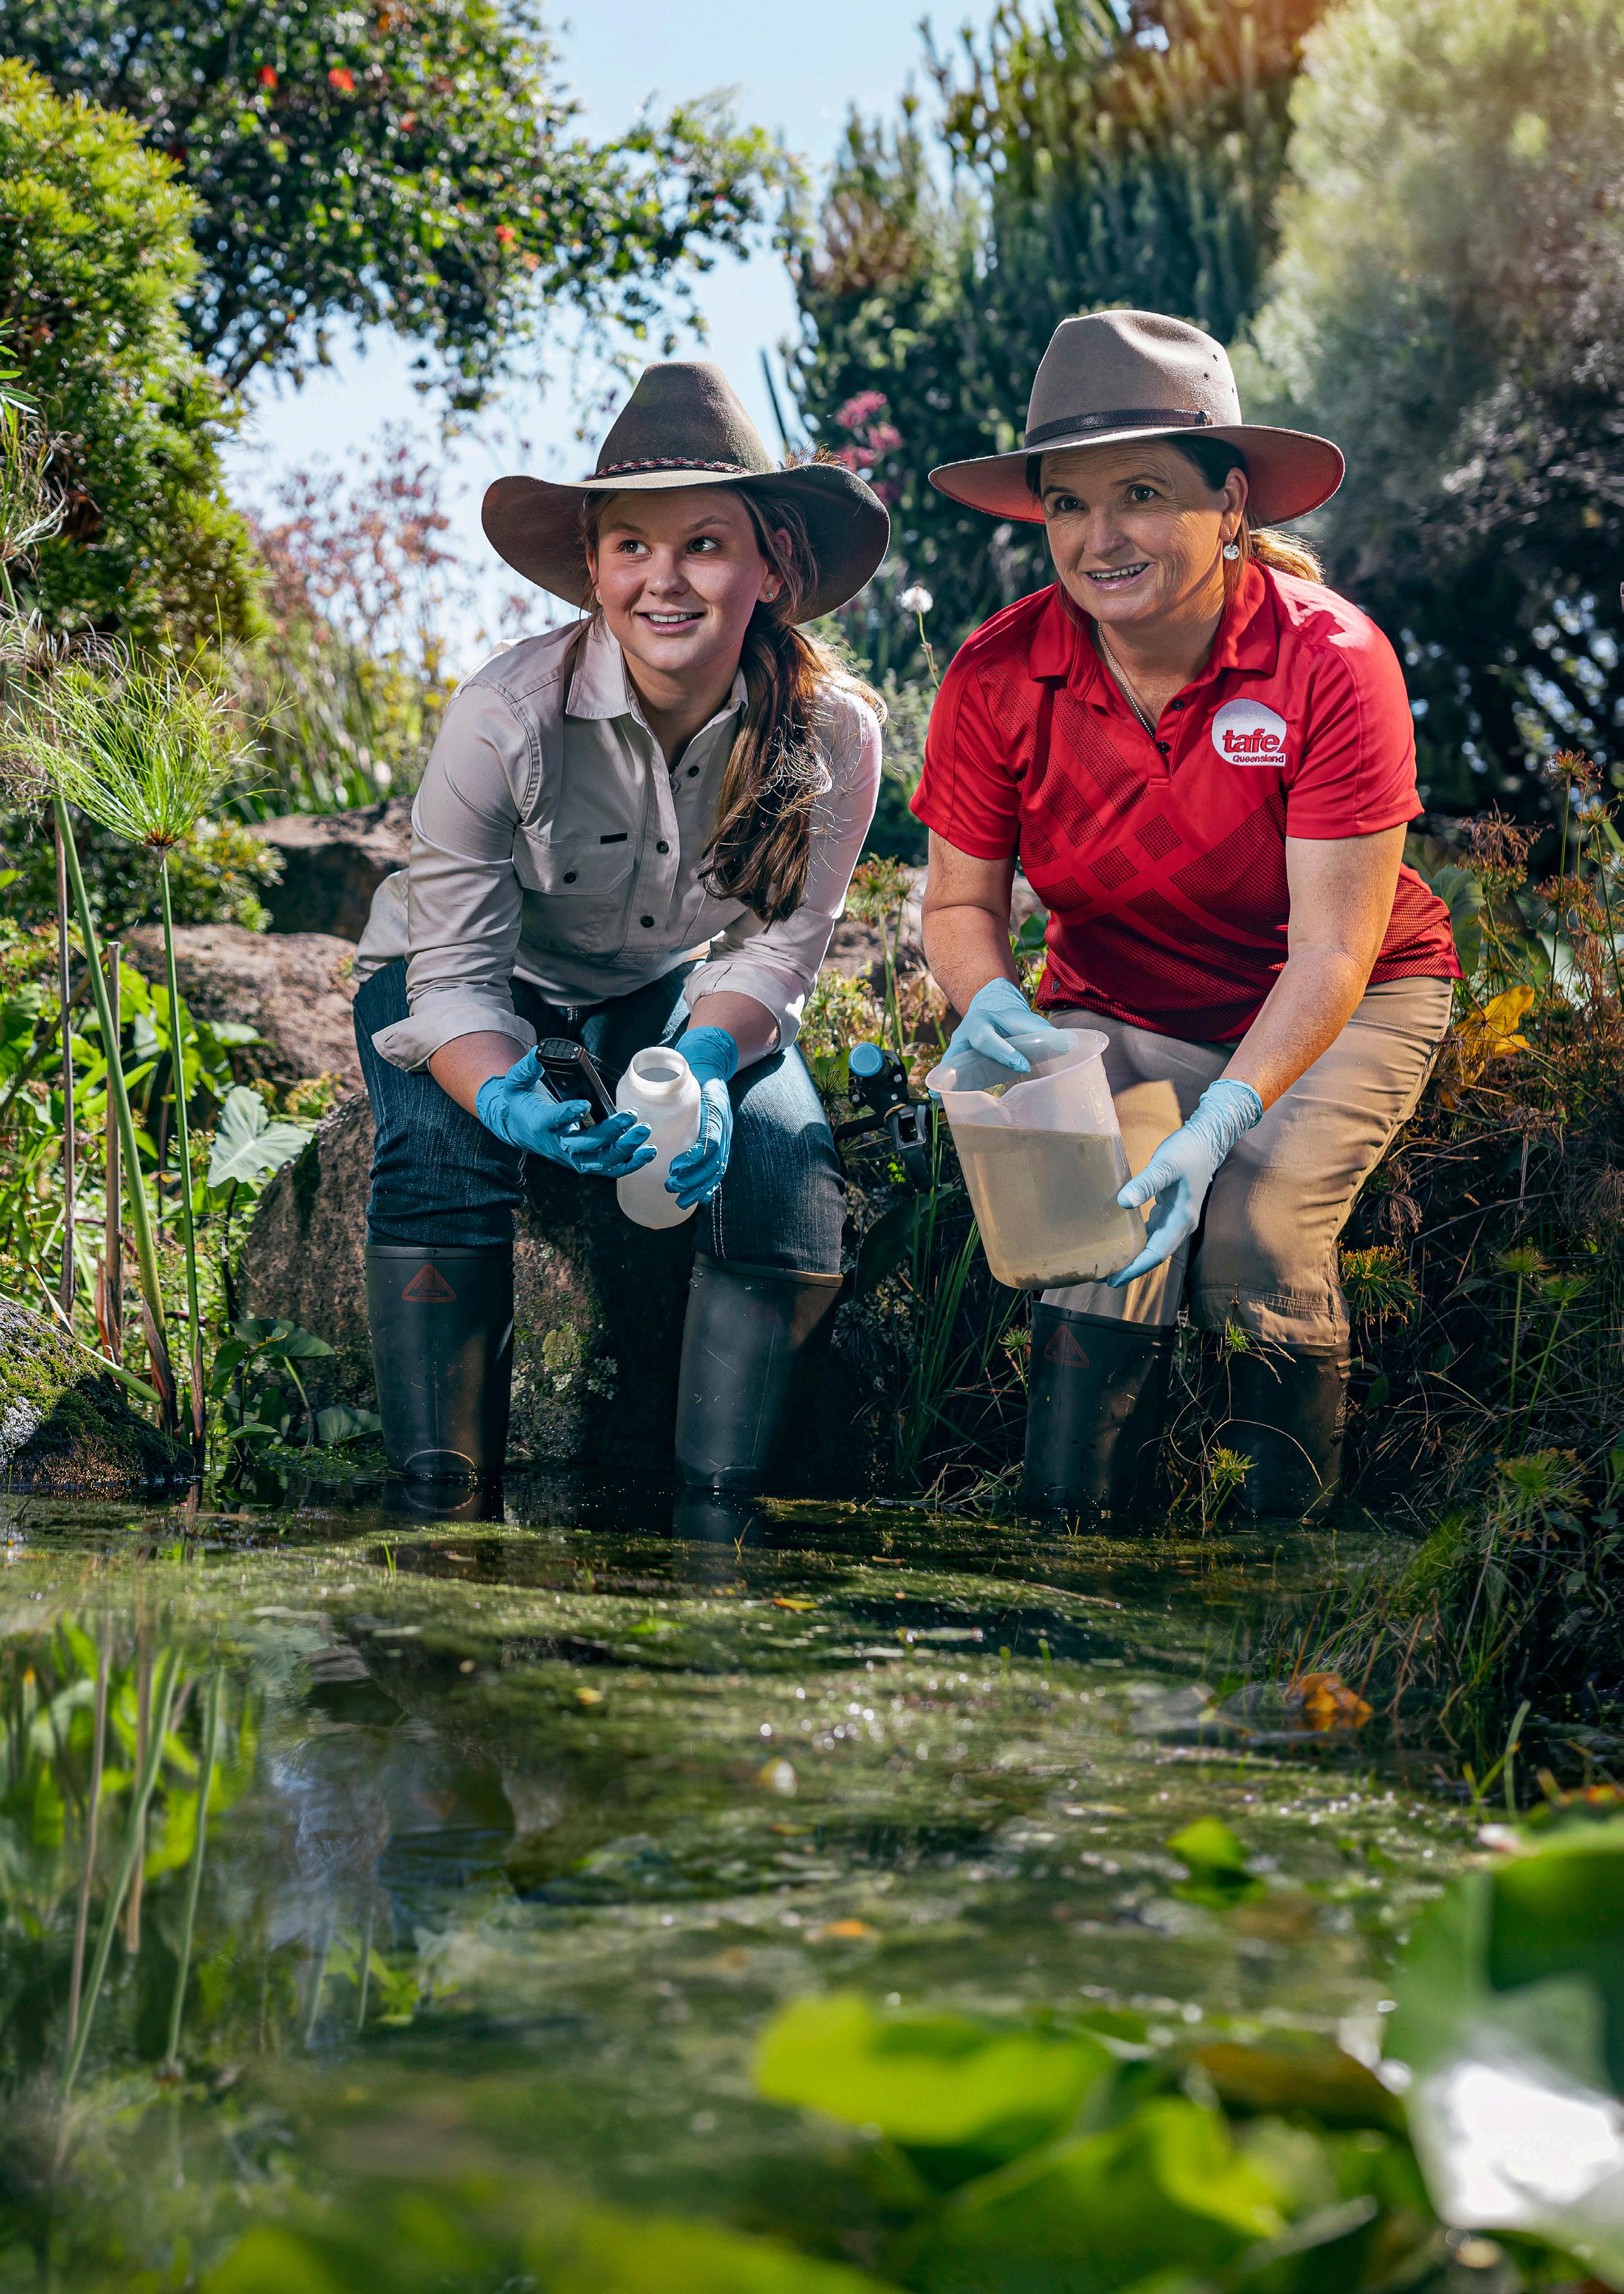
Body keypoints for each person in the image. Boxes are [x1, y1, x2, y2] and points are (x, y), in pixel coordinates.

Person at [912, 310, 1460, 1521]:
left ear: (1230, 506)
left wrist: (1220, 1118)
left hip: (1350, 993)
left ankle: (1275, 1569)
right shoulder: (996, 673)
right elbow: (956, 900)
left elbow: (1332, 948)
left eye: (1143, 494)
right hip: (1120, 999)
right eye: (1067, 503)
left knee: (1256, 1224)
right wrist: (991, 1000)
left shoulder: (1330, 661)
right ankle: (1074, 1554)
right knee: (1089, 1229)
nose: (1097, 537)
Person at [350, 361, 888, 1499]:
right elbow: (452, 975)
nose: (663, 579)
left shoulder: (835, 735)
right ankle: (440, 1519)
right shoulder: (503, 718)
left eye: (704, 544)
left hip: (660, 987)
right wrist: (504, 1099)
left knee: (783, 1164)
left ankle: (717, 1527)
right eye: (631, 545)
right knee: (443, 1156)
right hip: (472, 977)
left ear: (770, 566)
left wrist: (708, 1060)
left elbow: (778, 949)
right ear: (593, 570)